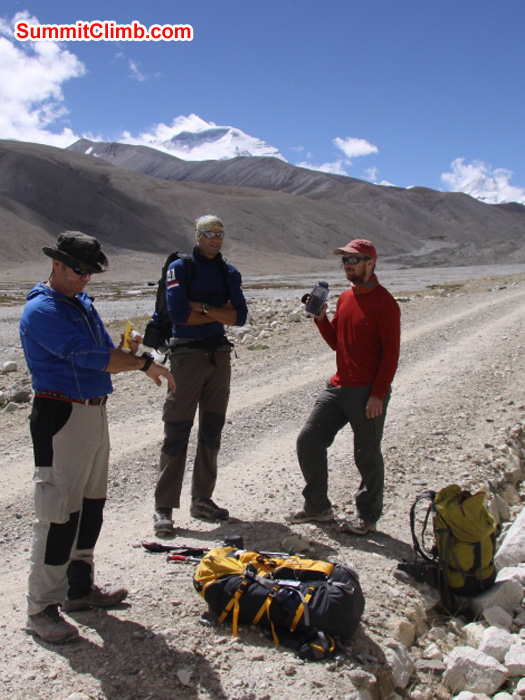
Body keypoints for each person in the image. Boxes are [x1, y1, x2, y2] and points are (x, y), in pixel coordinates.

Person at [20, 231, 175, 644]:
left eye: (90, 271)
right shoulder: (43, 310)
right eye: (79, 270)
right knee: (56, 511)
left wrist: (128, 349)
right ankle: (41, 608)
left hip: (92, 411)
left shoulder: (81, 304)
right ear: (57, 264)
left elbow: (104, 350)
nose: (85, 278)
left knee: (90, 505)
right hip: (60, 414)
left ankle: (78, 589)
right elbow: (87, 356)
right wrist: (141, 363)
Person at [288, 238, 401, 535]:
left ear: (370, 262)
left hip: (367, 391)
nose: (347, 265)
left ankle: (368, 516)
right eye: (345, 261)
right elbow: (338, 343)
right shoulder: (346, 298)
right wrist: (322, 318)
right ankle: (318, 506)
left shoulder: (386, 304)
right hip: (338, 387)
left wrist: (377, 394)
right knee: (309, 441)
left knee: (366, 452)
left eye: (353, 260)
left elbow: (391, 356)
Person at [153, 215, 248, 537]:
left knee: (212, 429)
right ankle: (164, 508)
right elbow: (179, 314)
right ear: (197, 235)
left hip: (218, 355)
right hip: (187, 356)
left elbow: (240, 317)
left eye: (220, 234)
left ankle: (202, 500)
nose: (215, 239)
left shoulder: (229, 272)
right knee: (177, 428)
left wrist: (203, 308)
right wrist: (219, 309)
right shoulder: (180, 268)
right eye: (209, 234)